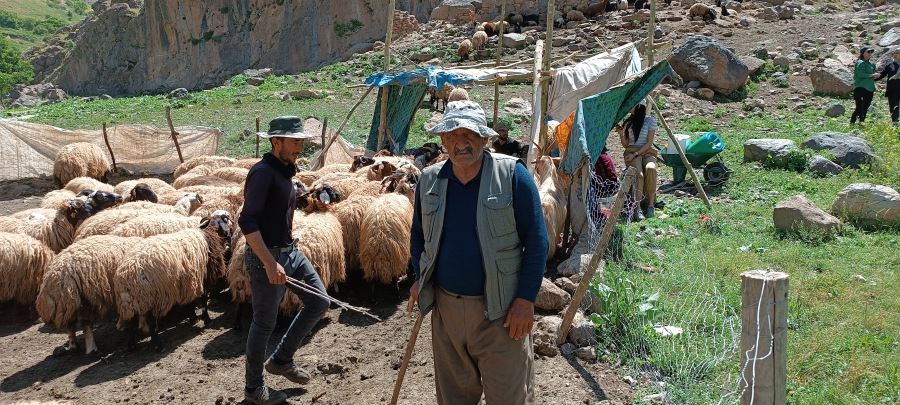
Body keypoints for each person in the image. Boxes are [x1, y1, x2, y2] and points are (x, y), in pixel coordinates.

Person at [408, 100, 549, 405]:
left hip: (501, 313)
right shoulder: (429, 181)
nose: (461, 144)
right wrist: (420, 278)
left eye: (470, 135)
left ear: (485, 138)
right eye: (453, 136)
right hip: (447, 312)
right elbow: (418, 235)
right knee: (454, 397)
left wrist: (525, 300)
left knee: (509, 397)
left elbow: (537, 240)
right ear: (443, 140)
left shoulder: (513, 176)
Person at [238, 116, 330, 405]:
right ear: (275, 141)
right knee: (264, 324)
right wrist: (268, 262)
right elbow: (247, 220)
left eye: (301, 141)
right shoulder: (263, 173)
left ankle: (281, 359)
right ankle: (253, 390)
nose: (299, 147)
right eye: (294, 141)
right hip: (268, 257)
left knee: (319, 301)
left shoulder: (285, 172)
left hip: (291, 252)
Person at [617, 101, 658, 221]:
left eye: (632, 104)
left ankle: (651, 204)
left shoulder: (649, 121)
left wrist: (636, 154)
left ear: (639, 106)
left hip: (646, 151)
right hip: (631, 151)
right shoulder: (628, 122)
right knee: (638, 175)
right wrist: (621, 134)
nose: (629, 107)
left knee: (651, 168)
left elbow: (649, 143)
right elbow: (626, 145)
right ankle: (637, 208)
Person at [850, 47, 880, 124]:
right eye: (868, 52)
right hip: (860, 87)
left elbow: (872, 76)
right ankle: (852, 122)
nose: (870, 53)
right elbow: (860, 74)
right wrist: (872, 75)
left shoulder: (872, 64)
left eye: (871, 52)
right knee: (859, 107)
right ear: (863, 53)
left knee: (865, 107)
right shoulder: (860, 62)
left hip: (870, 88)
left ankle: (861, 122)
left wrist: (876, 76)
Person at [876, 48, 900, 126]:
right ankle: (895, 122)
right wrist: (871, 78)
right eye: (895, 53)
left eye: (898, 53)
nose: (896, 54)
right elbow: (882, 75)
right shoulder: (890, 65)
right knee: (893, 105)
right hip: (892, 90)